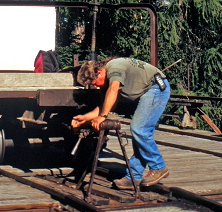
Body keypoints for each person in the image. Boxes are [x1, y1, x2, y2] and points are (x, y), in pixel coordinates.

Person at [72, 57, 171, 189]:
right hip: (145, 92)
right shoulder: (107, 78)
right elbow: (106, 105)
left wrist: (103, 116)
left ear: (99, 72)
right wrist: (85, 118)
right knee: (140, 135)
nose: (95, 86)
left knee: (139, 129)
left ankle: (158, 166)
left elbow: (113, 90)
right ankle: (133, 177)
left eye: (94, 82)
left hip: (155, 88)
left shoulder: (115, 67)